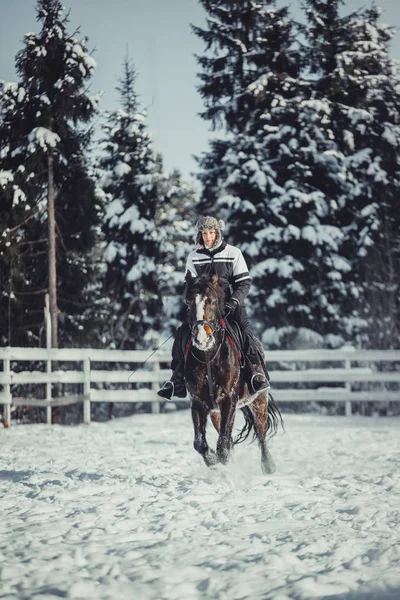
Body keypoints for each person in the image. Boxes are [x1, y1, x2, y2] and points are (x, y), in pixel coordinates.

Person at [157, 216, 269, 400]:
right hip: (204, 310)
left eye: (211, 232)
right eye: (204, 233)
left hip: (231, 306)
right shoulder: (193, 257)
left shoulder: (233, 253)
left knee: (245, 331)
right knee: (181, 333)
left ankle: (255, 374)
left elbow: (244, 283)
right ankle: (176, 380)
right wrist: (191, 301)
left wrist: (234, 301)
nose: (208, 236)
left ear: (217, 233)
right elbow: (189, 285)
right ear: (200, 234)